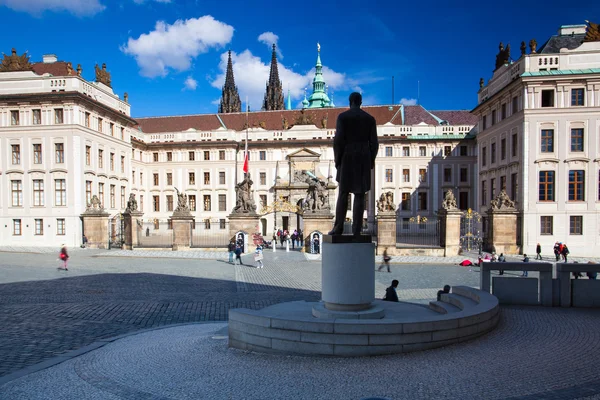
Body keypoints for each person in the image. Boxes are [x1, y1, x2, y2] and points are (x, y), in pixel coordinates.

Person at [328, 92, 379, 236]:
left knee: (343, 193)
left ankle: (338, 228)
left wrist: (338, 160)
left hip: (347, 156)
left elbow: (338, 141)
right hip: (363, 157)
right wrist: (370, 160)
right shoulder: (370, 119)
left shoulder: (343, 117)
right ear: (361, 102)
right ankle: (357, 230)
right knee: (360, 194)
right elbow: (374, 144)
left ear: (350, 101)